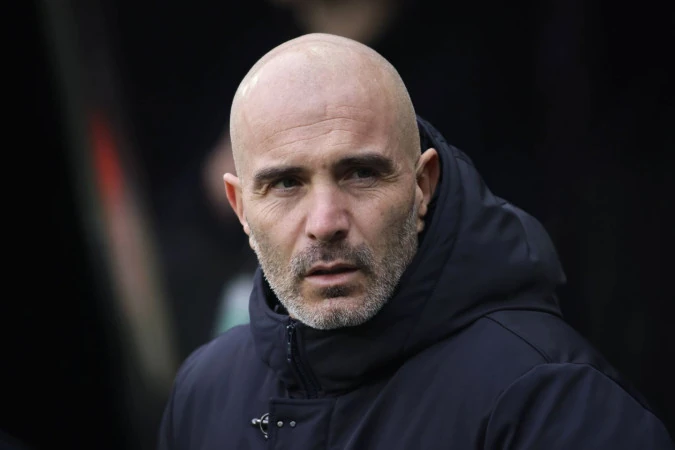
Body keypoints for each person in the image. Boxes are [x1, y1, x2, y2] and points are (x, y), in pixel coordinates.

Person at [157, 33, 673, 449]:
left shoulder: (551, 402)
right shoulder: (204, 394)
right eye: (287, 184)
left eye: (361, 173)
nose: (325, 221)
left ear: (423, 184)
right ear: (241, 208)